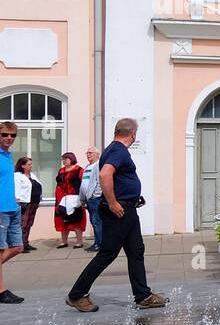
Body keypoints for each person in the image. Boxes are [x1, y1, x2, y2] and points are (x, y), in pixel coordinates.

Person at [66, 118, 167, 312]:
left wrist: (131, 197)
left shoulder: (112, 149)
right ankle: (77, 294)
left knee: (136, 250)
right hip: (119, 211)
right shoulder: (118, 151)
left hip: (128, 209)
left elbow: (116, 177)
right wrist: (113, 202)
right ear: (133, 134)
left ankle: (143, 295)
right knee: (107, 253)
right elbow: (105, 175)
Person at [0, 121, 24, 304]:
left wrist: (13, 197)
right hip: (0, 210)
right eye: (5, 134)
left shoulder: (8, 155)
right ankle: (1, 291)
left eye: (12, 135)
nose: (9, 138)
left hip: (12, 208)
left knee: (17, 247)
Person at [54, 151, 86, 248]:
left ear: (71, 159)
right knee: (62, 218)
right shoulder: (61, 170)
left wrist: (83, 198)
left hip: (74, 198)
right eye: (63, 159)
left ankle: (79, 241)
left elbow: (83, 184)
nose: (64, 161)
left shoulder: (79, 170)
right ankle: (64, 241)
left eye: (66, 159)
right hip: (61, 198)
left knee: (76, 218)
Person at [80, 147, 104, 252]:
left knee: (96, 221)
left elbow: (100, 182)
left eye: (90, 153)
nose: (88, 155)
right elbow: (84, 183)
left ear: (97, 154)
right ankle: (98, 242)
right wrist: (82, 199)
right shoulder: (88, 167)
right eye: (87, 153)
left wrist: (95, 195)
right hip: (88, 199)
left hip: (95, 199)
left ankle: (100, 244)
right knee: (94, 221)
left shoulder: (98, 165)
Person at [16, 157, 40, 252]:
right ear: (23, 166)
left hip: (34, 202)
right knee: (23, 224)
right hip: (25, 203)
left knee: (29, 224)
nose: (31, 166)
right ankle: (21, 245)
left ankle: (26, 243)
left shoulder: (32, 175)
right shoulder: (17, 175)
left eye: (31, 164)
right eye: (29, 164)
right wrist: (16, 198)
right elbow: (15, 188)